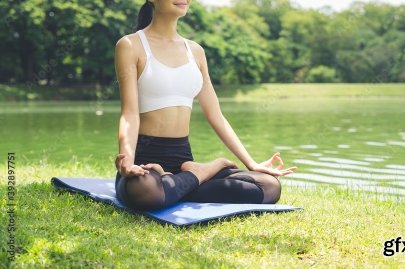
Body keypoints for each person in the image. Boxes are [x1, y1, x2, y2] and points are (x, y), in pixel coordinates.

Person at [114, 0, 297, 210]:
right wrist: (127, 160)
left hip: (182, 159)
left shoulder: (195, 51)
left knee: (269, 187)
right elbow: (129, 114)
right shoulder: (130, 45)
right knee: (144, 191)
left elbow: (216, 115)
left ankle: (178, 182)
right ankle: (201, 172)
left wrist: (252, 163)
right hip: (145, 163)